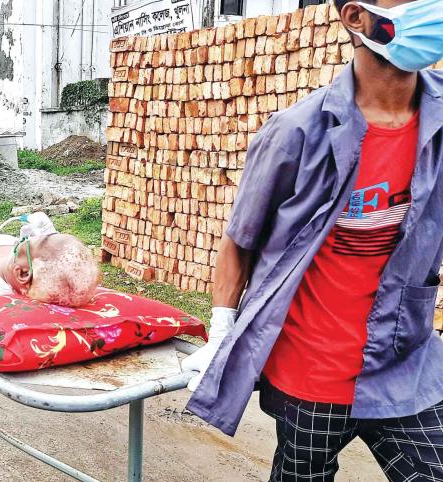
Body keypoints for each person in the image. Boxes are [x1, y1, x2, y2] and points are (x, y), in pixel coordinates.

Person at [183, 0, 443, 480]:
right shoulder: (297, 132)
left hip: (404, 363)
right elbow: (240, 241)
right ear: (355, 18)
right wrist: (220, 333)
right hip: (311, 375)